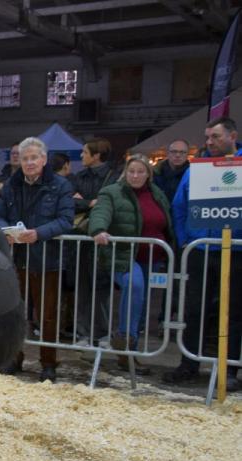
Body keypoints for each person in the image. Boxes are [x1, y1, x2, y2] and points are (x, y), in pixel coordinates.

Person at [162, 116, 242, 391]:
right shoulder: (197, 168)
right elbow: (180, 205)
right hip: (200, 248)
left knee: (233, 311)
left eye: (215, 137)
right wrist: (187, 240)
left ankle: (229, 368)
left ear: (233, 136)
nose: (209, 142)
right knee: (194, 308)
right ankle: (189, 363)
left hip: (237, 250)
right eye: (207, 137)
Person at [0, 137, 74, 383]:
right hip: (17, 259)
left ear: (44, 160)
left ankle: (48, 363)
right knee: (16, 312)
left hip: (48, 260)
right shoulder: (11, 185)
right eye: (25, 158)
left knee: (47, 315)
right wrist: (6, 232)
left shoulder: (60, 185)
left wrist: (38, 233)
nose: (29, 162)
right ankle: (14, 357)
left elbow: (65, 220)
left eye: (33, 158)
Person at [88, 155, 175, 375]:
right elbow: (100, 212)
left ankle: (129, 354)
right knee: (134, 286)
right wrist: (98, 230)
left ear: (148, 174)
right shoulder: (111, 192)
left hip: (154, 257)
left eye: (140, 172)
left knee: (142, 302)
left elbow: (167, 221)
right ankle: (125, 341)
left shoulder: (158, 194)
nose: (135, 176)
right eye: (131, 171)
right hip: (124, 256)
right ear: (125, 173)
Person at [71, 138, 119, 346]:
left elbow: (110, 203)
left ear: (97, 155)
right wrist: (89, 202)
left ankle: (102, 332)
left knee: (101, 287)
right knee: (82, 286)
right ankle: (83, 333)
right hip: (81, 239)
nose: (81, 156)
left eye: (85, 152)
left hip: (103, 240)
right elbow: (69, 200)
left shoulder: (114, 177)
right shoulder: (78, 176)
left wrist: (83, 201)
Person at [152, 139, 190, 204]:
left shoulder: (192, 175)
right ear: (168, 153)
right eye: (174, 152)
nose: (178, 155)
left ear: (187, 154)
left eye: (182, 152)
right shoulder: (155, 173)